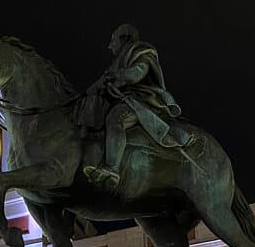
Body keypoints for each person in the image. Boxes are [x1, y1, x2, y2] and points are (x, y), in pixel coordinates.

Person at [81, 23, 199, 189]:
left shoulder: (141, 51)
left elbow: (137, 73)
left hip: (142, 100)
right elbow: (100, 83)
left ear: (123, 39)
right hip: (123, 99)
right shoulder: (117, 61)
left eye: (113, 41)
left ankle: (112, 169)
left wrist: (118, 76)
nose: (109, 46)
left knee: (116, 119)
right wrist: (83, 95)